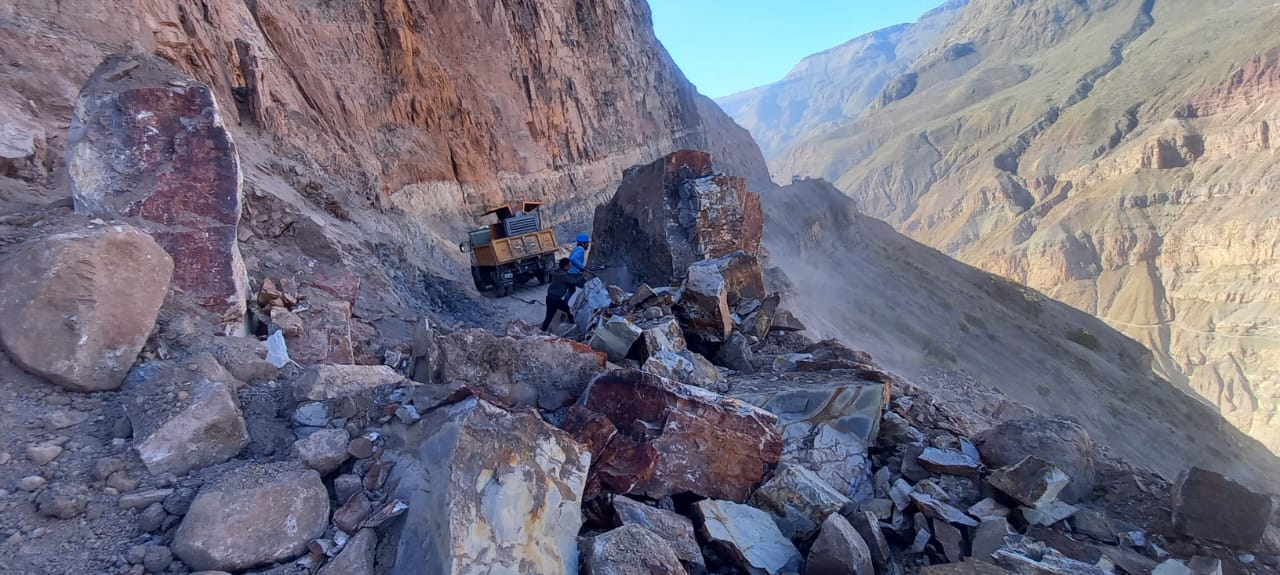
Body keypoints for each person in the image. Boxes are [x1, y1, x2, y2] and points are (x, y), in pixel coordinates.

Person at [542, 258, 586, 332]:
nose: (569, 267)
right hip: (553, 300)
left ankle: (572, 323)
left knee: (567, 310)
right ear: (565, 266)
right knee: (549, 317)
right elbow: (573, 280)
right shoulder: (562, 275)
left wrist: (579, 274)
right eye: (569, 266)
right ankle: (542, 332)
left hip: (555, 299)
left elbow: (569, 276)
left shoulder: (558, 271)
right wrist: (582, 276)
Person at [564, 232, 591, 300]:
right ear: (583, 243)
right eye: (587, 243)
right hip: (573, 275)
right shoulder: (580, 249)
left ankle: (564, 305)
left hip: (569, 274)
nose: (587, 245)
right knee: (587, 287)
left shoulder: (576, 249)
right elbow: (573, 258)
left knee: (571, 290)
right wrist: (582, 267)